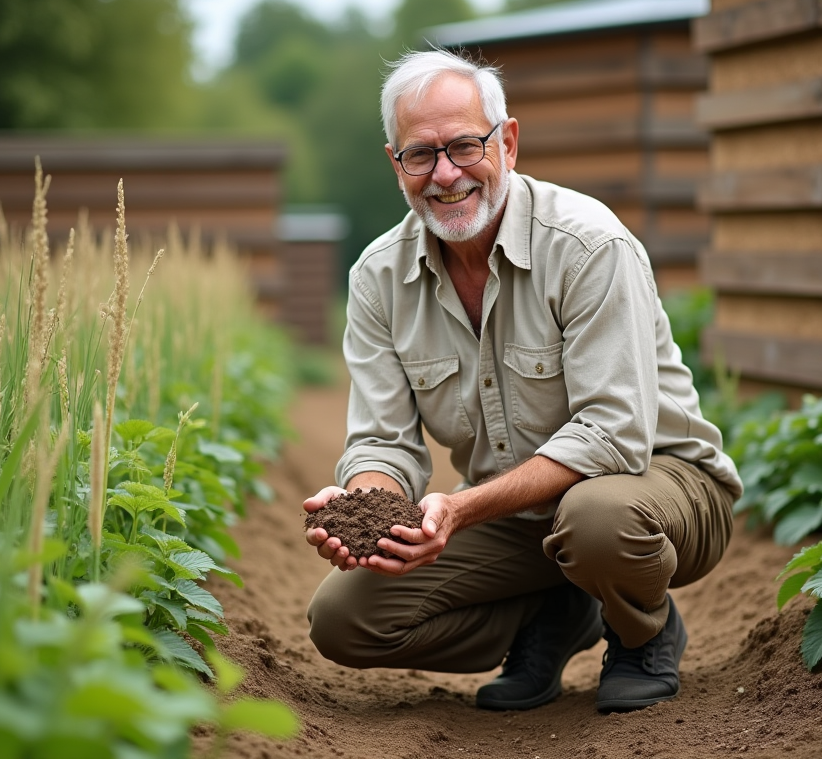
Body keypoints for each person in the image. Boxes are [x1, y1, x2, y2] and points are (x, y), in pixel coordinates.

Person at [303, 49, 742, 714]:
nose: (445, 175)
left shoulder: (589, 245)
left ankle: (642, 632)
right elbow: (382, 441)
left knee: (596, 518)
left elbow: (612, 435)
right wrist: (365, 510)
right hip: (522, 518)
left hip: (660, 491)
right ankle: (558, 613)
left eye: (464, 146)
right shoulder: (377, 279)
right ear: (396, 164)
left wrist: (460, 508)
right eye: (420, 155)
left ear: (506, 140)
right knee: (343, 618)